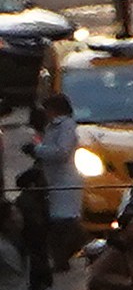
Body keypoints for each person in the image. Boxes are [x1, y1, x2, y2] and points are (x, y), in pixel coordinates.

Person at [15, 148, 58, 290]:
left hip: (34, 269)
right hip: (31, 271)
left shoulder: (36, 204)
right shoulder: (28, 207)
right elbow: (35, 241)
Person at [27, 93, 82, 268]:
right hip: (53, 180)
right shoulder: (52, 127)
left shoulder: (66, 126)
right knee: (57, 221)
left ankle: (64, 256)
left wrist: (38, 150)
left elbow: (61, 152)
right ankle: (60, 258)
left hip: (64, 181)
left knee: (63, 222)